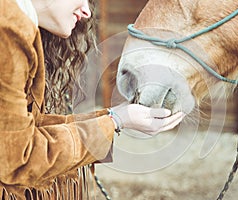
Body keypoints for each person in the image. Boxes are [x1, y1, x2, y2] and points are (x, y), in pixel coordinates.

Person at [0, 0, 186, 199]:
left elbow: (21, 132)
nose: (87, 12)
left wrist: (114, 118)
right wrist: (116, 121)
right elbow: (19, 158)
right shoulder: (10, 29)